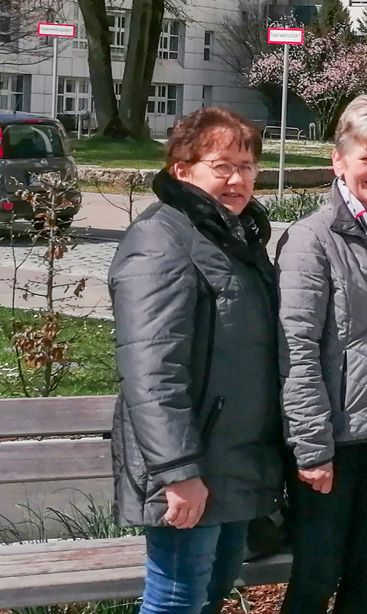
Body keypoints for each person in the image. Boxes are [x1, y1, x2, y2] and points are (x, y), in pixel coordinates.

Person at [108, 106, 283, 614]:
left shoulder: (233, 238)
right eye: (221, 165)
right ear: (181, 170)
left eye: (247, 166)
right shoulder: (161, 241)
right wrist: (177, 471)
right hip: (190, 465)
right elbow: (151, 368)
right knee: (176, 600)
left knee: (209, 595)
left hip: (234, 461)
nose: (237, 179)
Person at [276, 94, 367, 614]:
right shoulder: (311, 239)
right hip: (334, 440)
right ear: (339, 160)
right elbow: (296, 349)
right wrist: (312, 446)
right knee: (315, 578)